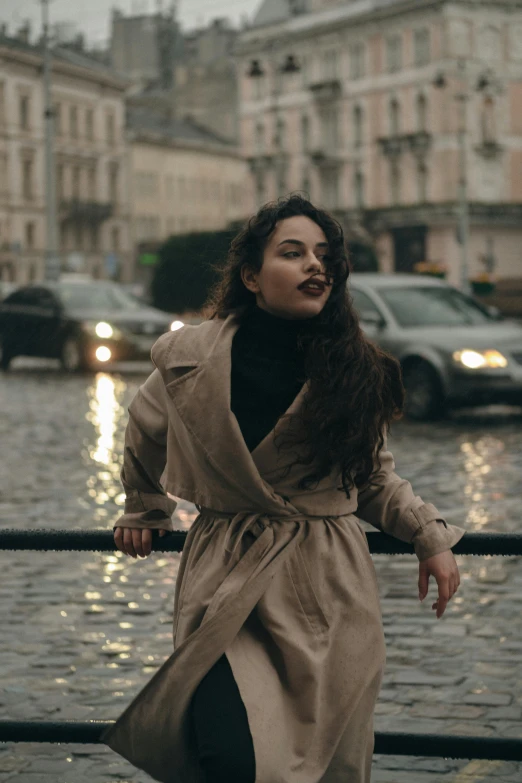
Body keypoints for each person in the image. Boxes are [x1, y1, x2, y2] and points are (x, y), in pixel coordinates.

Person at [104, 195, 465, 783]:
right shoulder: (189, 358)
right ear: (251, 276)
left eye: (324, 256)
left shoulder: (355, 368)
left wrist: (428, 533)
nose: (314, 266)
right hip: (228, 573)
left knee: (322, 763)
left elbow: (371, 475)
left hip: (327, 584)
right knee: (228, 755)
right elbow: (144, 432)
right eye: (293, 253)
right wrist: (145, 508)